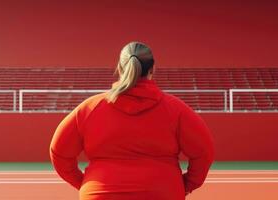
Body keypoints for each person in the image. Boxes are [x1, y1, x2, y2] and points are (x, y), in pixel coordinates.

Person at [49, 41, 215, 200]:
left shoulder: (90, 108)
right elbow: (204, 151)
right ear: (152, 69)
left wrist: (84, 182)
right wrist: (185, 185)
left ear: (120, 67)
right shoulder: (177, 110)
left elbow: (59, 152)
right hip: (162, 193)